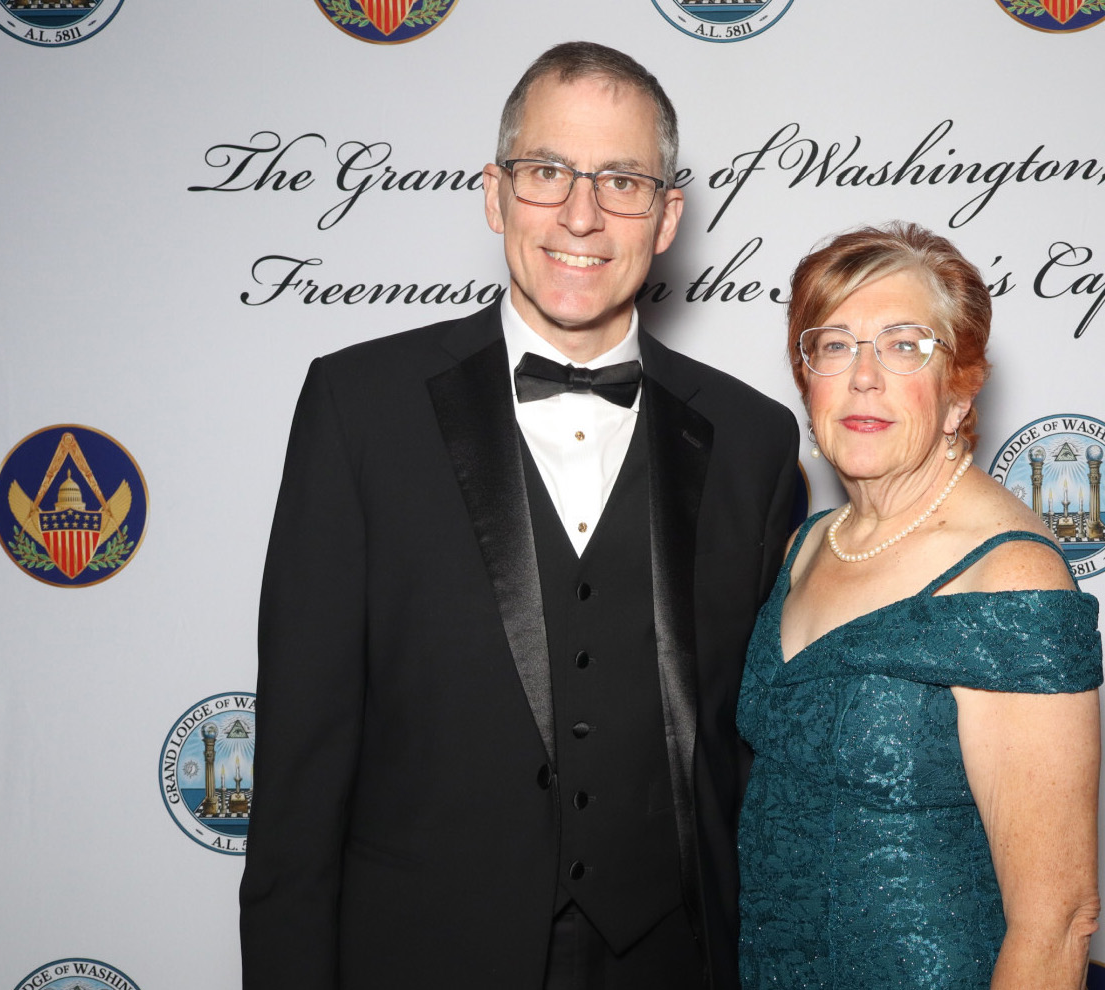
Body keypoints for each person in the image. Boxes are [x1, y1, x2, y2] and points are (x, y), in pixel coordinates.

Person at [240, 42, 798, 990]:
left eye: (621, 180)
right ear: (494, 194)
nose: (581, 214)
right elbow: (298, 774)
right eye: (547, 173)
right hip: (419, 960)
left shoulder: (753, 437)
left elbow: (750, 767)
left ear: (667, 217)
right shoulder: (358, 408)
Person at [737, 223, 1102, 989]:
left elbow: (1056, 921)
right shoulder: (806, 547)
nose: (862, 376)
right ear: (807, 379)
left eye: (905, 346)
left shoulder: (1012, 580)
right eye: (832, 345)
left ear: (962, 384)